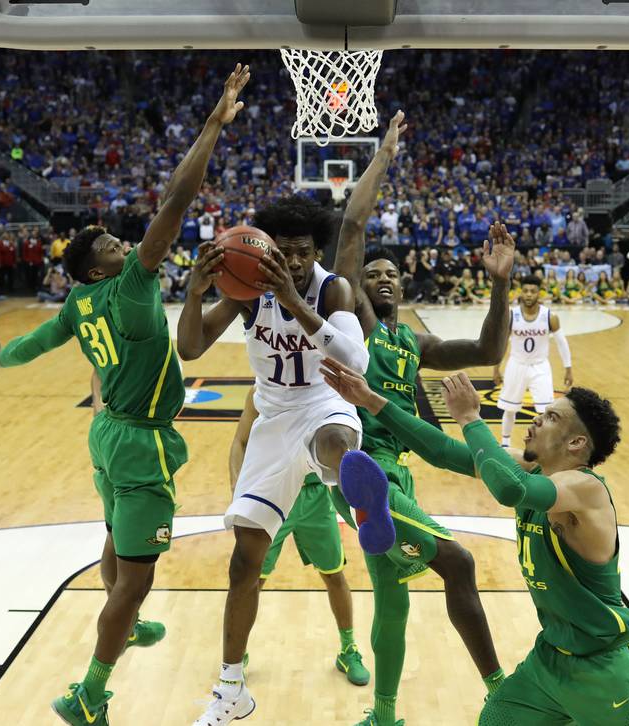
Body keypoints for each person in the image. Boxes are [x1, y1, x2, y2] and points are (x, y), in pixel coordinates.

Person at [0, 64, 251, 726]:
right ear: (100, 266)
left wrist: (0, 359)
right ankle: (90, 692)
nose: (129, 245)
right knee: (138, 575)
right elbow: (177, 202)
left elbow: (38, 340)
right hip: (143, 442)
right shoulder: (128, 284)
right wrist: (213, 125)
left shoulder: (77, 301)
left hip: (106, 436)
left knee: (115, 545)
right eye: (117, 245)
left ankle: (126, 623)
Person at [177, 114, 405, 725]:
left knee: (335, 438)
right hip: (273, 420)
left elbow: (357, 359)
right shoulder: (246, 291)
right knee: (244, 558)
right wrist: (197, 292)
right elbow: (190, 350)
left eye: (304, 254)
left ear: (315, 253)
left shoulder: (332, 290)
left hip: (325, 401)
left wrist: (297, 300)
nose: (296, 262)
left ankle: (358, 499)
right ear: (270, 251)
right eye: (286, 254)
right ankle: (231, 690)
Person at [319, 362, 629, 726]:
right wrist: (371, 400)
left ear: (577, 443)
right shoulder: (529, 472)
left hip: (606, 668)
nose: (535, 419)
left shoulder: (585, 490)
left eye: (550, 418)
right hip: (550, 662)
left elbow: (510, 490)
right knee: (498, 718)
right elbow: (441, 451)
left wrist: (470, 417)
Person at [323, 118, 515, 724]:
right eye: (370, 274)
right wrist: (383, 154)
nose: (380, 277)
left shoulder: (416, 344)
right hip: (361, 466)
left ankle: (383, 715)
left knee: (392, 598)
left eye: (391, 274)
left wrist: (500, 286)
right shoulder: (361, 328)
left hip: (397, 472)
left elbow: (488, 351)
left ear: (404, 288)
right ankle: (499, 689)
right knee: (456, 562)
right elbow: (352, 226)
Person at [230, 387, 370, 688]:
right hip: (272, 492)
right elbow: (240, 441)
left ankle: (348, 649)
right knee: (252, 578)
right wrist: (238, 493)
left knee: (334, 574)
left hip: (316, 496)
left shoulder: (326, 392)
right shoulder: (261, 391)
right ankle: (235, 655)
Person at [495, 277, 574, 447]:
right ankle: (505, 444)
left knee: (546, 410)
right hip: (516, 364)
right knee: (510, 408)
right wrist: (496, 368)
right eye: (526, 291)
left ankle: (545, 445)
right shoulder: (511, 315)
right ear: (520, 292)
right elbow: (501, 343)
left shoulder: (550, 317)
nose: (529, 295)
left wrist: (568, 368)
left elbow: (562, 343)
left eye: (533, 291)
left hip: (540, 366)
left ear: (539, 293)